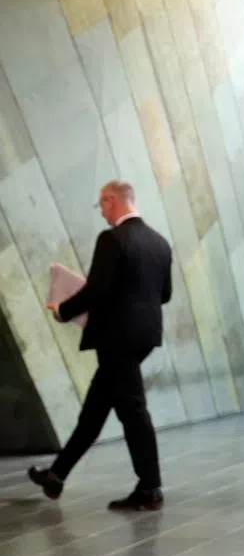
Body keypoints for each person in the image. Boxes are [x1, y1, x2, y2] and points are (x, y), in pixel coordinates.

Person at [29, 181, 173, 511]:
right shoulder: (160, 243)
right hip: (144, 336)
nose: (102, 211)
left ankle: (150, 488)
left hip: (117, 338)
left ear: (112, 201)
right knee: (96, 410)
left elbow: (96, 290)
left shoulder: (112, 239)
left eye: (102, 204)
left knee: (133, 411)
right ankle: (56, 475)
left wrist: (62, 309)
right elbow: (164, 294)